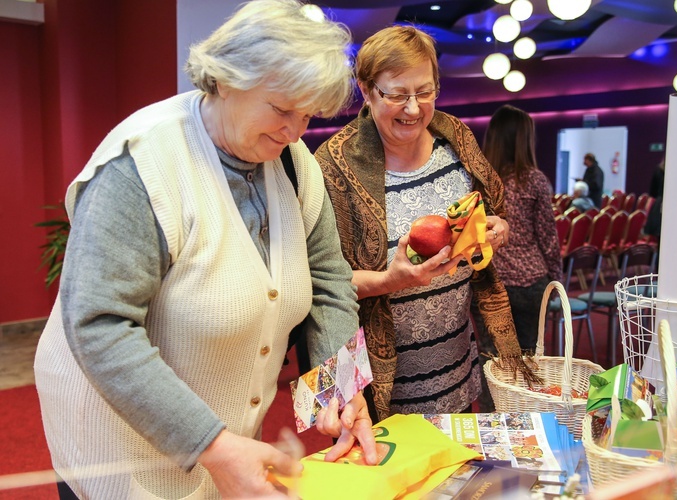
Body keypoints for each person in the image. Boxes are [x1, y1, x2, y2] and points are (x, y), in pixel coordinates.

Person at [33, 1, 377, 498]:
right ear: (226, 79)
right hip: (122, 446)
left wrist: (340, 391)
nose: (295, 132)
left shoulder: (296, 164)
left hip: (227, 442)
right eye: (282, 109)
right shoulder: (141, 165)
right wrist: (213, 445)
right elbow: (99, 324)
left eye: (307, 116)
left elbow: (327, 282)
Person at [315, 26, 537, 422]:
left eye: (425, 91)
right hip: (375, 386)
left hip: (455, 364)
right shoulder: (333, 166)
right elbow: (318, 285)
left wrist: (494, 228)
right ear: (366, 91)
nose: (414, 109)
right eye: (398, 95)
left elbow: (486, 211)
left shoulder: (456, 139)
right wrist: (390, 281)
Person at [482, 105, 563, 352]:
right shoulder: (533, 179)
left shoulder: (479, 180)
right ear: (524, 140)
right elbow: (548, 237)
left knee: (493, 361)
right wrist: (557, 279)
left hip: (491, 280)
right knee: (530, 358)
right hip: (531, 280)